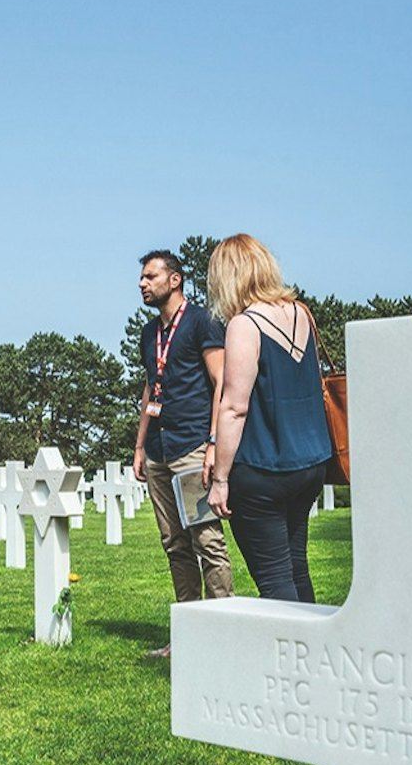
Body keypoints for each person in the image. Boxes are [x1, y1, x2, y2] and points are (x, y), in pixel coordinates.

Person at [206, 235, 332, 602]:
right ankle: (311, 639)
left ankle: (288, 641)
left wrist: (220, 479)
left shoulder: (244, 325)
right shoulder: (301, 313)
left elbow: (234, 407)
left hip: (264, 469)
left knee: (276, 580)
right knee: (297, 568)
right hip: (310, 463)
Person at [132, 249, 234, 655]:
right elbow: (150, 387)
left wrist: (213, 443)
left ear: (174, 280)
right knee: (174, 544)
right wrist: (140, 445)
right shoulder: (148, 333)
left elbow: (221, 381)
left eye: (150, 276)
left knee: (206, 541)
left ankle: (223, 635)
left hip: (192, 447)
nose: (142, 283)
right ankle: (188, 638)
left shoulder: (201, 322)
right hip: (159, 451)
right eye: (142, 277)